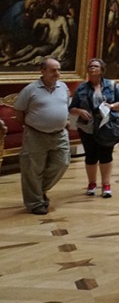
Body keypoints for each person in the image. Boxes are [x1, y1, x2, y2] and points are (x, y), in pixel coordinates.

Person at [13, 57, 71, 215]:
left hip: (60, 135)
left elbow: (65, 106)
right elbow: (18, 113)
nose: (57, 73)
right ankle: (35, 203)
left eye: (59, 70)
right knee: (32, 169)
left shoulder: (63, 87)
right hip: (35, 135)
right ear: (43, 71)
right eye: (53, 70)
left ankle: (37, 191)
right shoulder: (30, 90)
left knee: (63, 163)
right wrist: (34, 125)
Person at [69, 57, 119, 198]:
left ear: (102, 70)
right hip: (87, 127)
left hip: (106, 126)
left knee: (106, 155)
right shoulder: (81, 88)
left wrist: (111, 106)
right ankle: (92, 184)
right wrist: (80, 111)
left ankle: (106, 185)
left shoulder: (111, 85)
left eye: (95, 66)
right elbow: (71, 108)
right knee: (91, 155)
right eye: (90, 66)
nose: (92, 68)